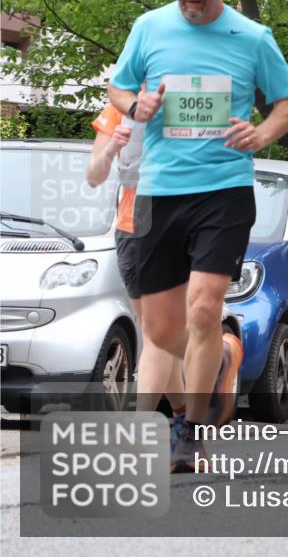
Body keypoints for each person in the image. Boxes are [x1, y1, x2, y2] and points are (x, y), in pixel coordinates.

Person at [107, 0, 288, 472]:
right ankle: (214, 362)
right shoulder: (149, 27)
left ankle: (189, 429)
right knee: (163, 331)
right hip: (157, 192)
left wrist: (262, 135)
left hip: (223, 190)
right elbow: (117, 91)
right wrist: (138, 102)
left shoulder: (252, 37)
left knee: (203, 307)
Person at [86, 101, 187, 444]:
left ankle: (140, 428)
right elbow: (95, 175)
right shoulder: (119, 109)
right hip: (133, 229)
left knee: (158, 334)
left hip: (176, 228)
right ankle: (185, 414)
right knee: (157, 333)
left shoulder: (188, 100)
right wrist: (114, 145)